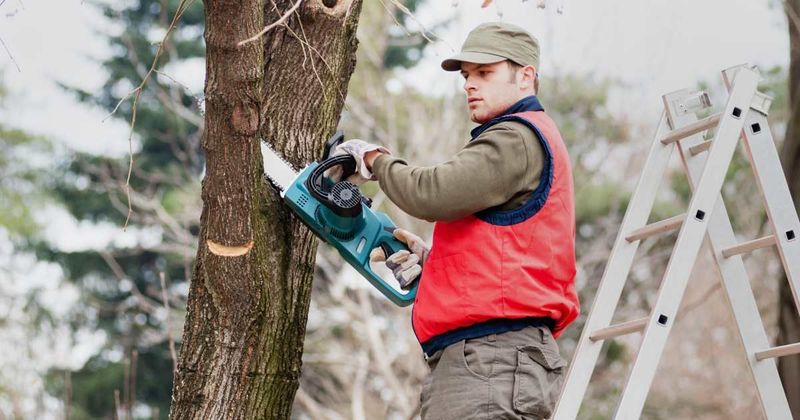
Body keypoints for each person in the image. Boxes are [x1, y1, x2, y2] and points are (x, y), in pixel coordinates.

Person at [334, 22, 579, 419]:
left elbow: (433, 192)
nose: (470, 84)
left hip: (492, 360)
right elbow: (515, 254)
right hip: (492, 359)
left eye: (485, 73)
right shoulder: (522, 139)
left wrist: (375, 160)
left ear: (526, 76)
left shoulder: (514, 138)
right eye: (467, 76)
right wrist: (441, 267)